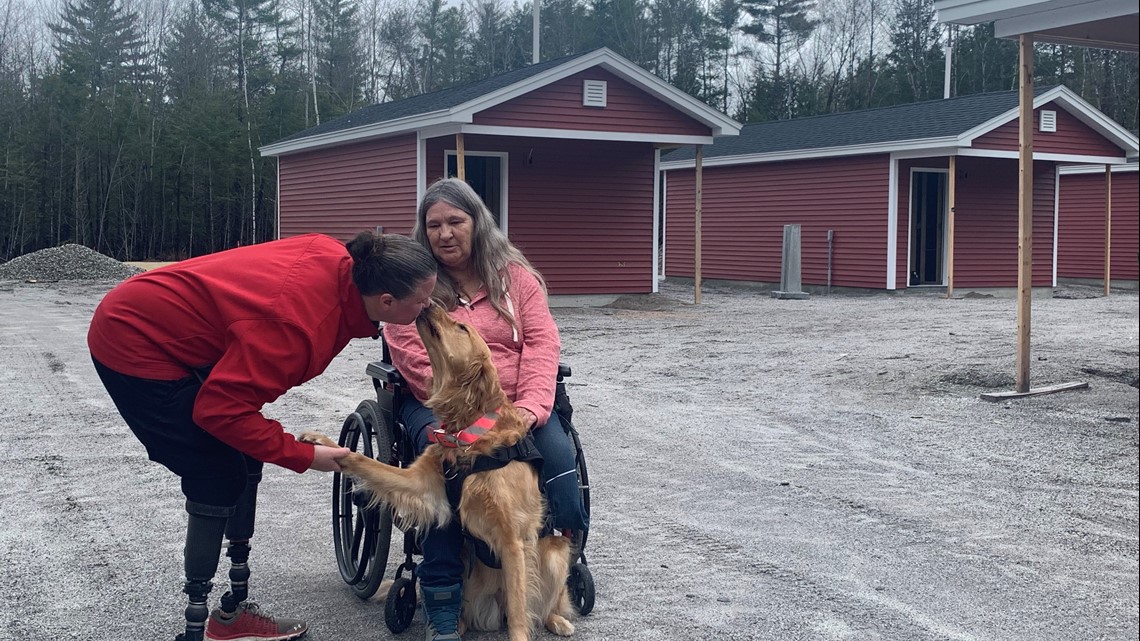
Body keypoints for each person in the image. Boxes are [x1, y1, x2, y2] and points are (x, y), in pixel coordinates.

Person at [87, 231, 437, 641]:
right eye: (423, 299)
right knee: (216, 472)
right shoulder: (297, 328)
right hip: (133, 338)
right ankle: (199, 629)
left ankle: (233, 611)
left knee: (245, 456)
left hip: (166, 316)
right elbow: (220, 410)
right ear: (386, 303)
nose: (430, 305)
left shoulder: (336, 258)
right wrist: (303, 456)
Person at [383, 178, 589, 641]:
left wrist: (532, 408)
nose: (444, 233)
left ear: (478, 222)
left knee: (558, 467)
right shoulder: (415, 284)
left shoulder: (516, 279)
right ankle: (441, 595)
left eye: (456, 221)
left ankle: (554, 576)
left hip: (519, 407)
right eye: (433, 224)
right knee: (445, 482)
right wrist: (466, 413)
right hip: (443, 406)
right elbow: (413, 356)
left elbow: (541, 344)